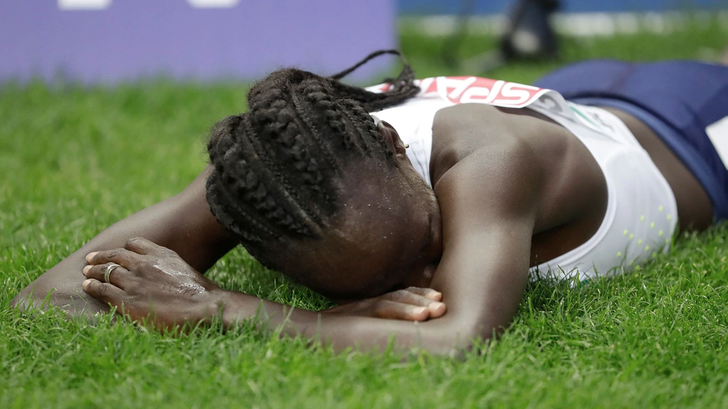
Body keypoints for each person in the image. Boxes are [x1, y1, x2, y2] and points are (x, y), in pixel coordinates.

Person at [11, 50, 728, 356]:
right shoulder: (272, 177)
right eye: (381, 285)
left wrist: (231, 307)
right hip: (572, 90)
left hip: (688, 126)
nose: (428, 281)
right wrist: (339, 318)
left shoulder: (489, 161)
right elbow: (46, 300)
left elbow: (457, 341)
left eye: (426, 241)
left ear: (391, 142)